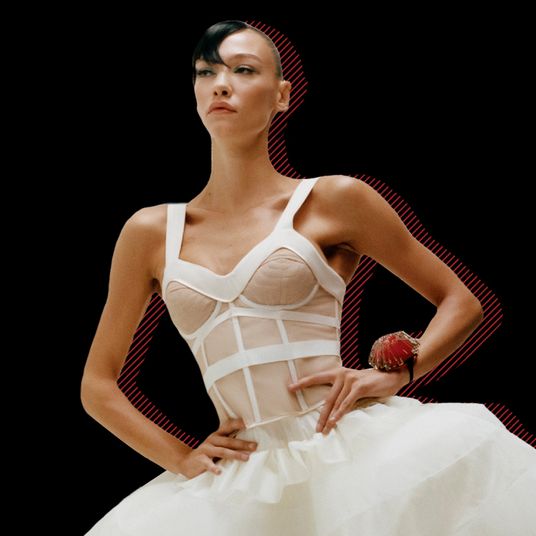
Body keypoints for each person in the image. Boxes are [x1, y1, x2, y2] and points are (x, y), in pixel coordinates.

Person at [81, 20, 536, 535]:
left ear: (282, 96)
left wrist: (394, 375)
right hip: (245, 476)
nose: (221, 85)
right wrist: (181, 458)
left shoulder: (334, 200)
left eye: (243, 70)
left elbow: (461, 302)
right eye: (206, 72)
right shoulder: (150, 232)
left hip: (348, 451)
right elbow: (98, 385)